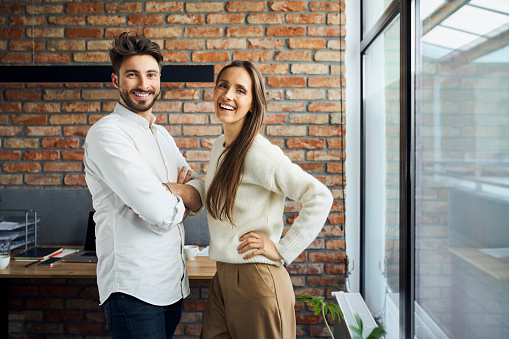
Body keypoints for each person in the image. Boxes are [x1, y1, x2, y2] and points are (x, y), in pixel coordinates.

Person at [200, 60, 333, 339]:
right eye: (223, 86)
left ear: (252, 103)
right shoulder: (219, 148)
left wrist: (284, 250)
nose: (228, 95)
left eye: (240, 90)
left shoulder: (259, 152)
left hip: (257, 278)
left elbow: (319, 196)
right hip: (223, 276)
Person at [84, 32, 204, 339]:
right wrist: (181, 198)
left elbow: (200, 192)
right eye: (132, 74)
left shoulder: (162, 135)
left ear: (159, 79)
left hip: (172, 285)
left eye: (151, 74)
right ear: (116, 80)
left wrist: (177, 190)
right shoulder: (107, 134)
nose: (143, 84)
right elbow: (159, 212)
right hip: (133, 290)